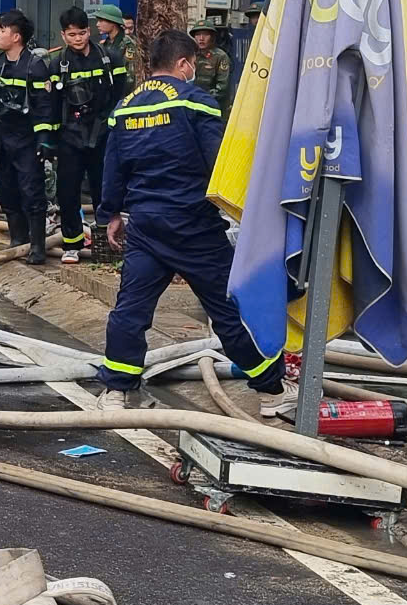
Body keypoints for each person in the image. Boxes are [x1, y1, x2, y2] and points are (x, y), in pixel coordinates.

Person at [94, 30, 286, 415]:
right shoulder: (197, 102)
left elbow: (112, 166)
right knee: (229, 310)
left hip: (145, 225)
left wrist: (110, 214)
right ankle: (272, 394)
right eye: (192, 65)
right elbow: (219, 164)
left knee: (130, 309)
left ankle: (117, 390)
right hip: (193, 225)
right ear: (184, 64)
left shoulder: (125, 107)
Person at [0, 9, 57, 263]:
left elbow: (44, 108)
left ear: (16, 36)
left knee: (32, 191)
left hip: (27, 142)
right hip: (0, 139)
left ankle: (38, 246)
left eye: (2, 30)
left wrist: (44, 141)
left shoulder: (35, 66)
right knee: (6, 191)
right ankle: (18, 238)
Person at [49, 7, 125, 264]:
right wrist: (48, 139)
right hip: (70, 136)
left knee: (103, 190)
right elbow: (50, 104)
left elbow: (121, 97)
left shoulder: (110, 58)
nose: (78, 39)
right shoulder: (57, 63)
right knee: (67, 191)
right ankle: (72, 244)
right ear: (64, 35)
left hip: (102, 133)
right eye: (72, 35)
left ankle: (105, 243)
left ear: (88, 31)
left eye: (81, 33)